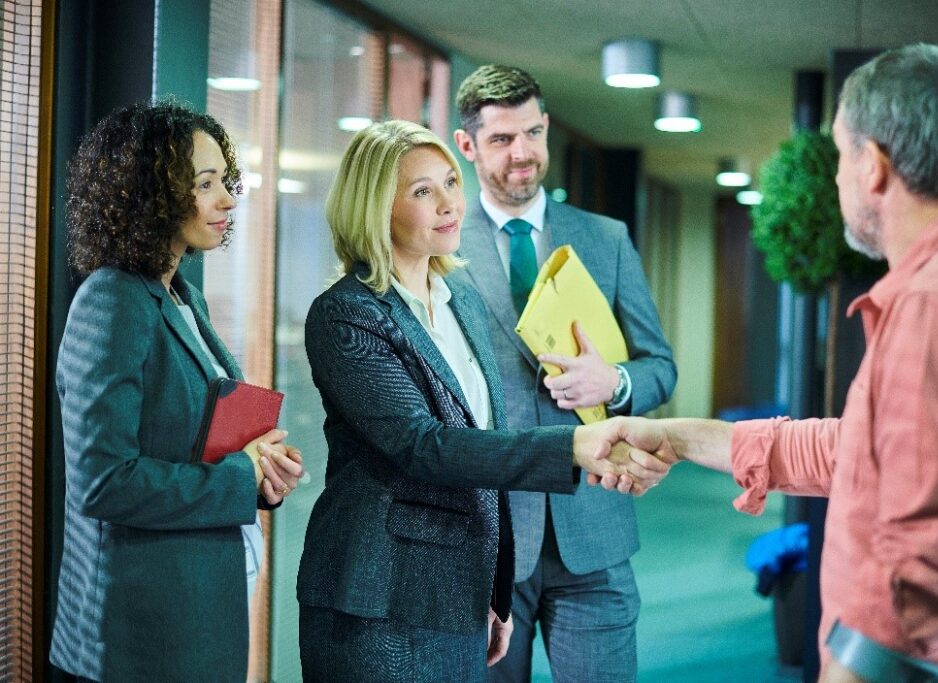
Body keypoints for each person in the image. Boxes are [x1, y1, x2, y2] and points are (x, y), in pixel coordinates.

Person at [601, 44, 938, 683]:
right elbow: (859, 453)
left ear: (874, 166)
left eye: (840, 155)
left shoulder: (937, 305)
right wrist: (679, 437)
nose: (834, 179)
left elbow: (919, 577)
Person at [296, 120, 668, 683]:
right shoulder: (347, 314)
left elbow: (483, 446)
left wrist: (493, 587)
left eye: (450, 182)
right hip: (382, 596)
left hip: (460, 590)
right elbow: (428, 447)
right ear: (375, 207)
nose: (449, 203)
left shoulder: (459, 301)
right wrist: (573, 445)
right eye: (423, 191)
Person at [50, 101, 305, 682]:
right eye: (205, 184)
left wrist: (260, 474)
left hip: (199, 612)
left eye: (226, 181)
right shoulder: (111, 298)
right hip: (139, 637)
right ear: (150, 194)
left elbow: (189, 444)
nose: (227, 200)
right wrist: (238, 477)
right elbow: (102, 481)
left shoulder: (182, 294)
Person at [451, 64, 678, 681]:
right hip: (489, 536)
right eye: (501, 140)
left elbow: (661, 367)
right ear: (467, 145)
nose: (522, 154)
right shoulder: (441, 249)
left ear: (547, 127)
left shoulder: (605, 240)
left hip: (595, 530)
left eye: (532, 133)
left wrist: (618, 384)